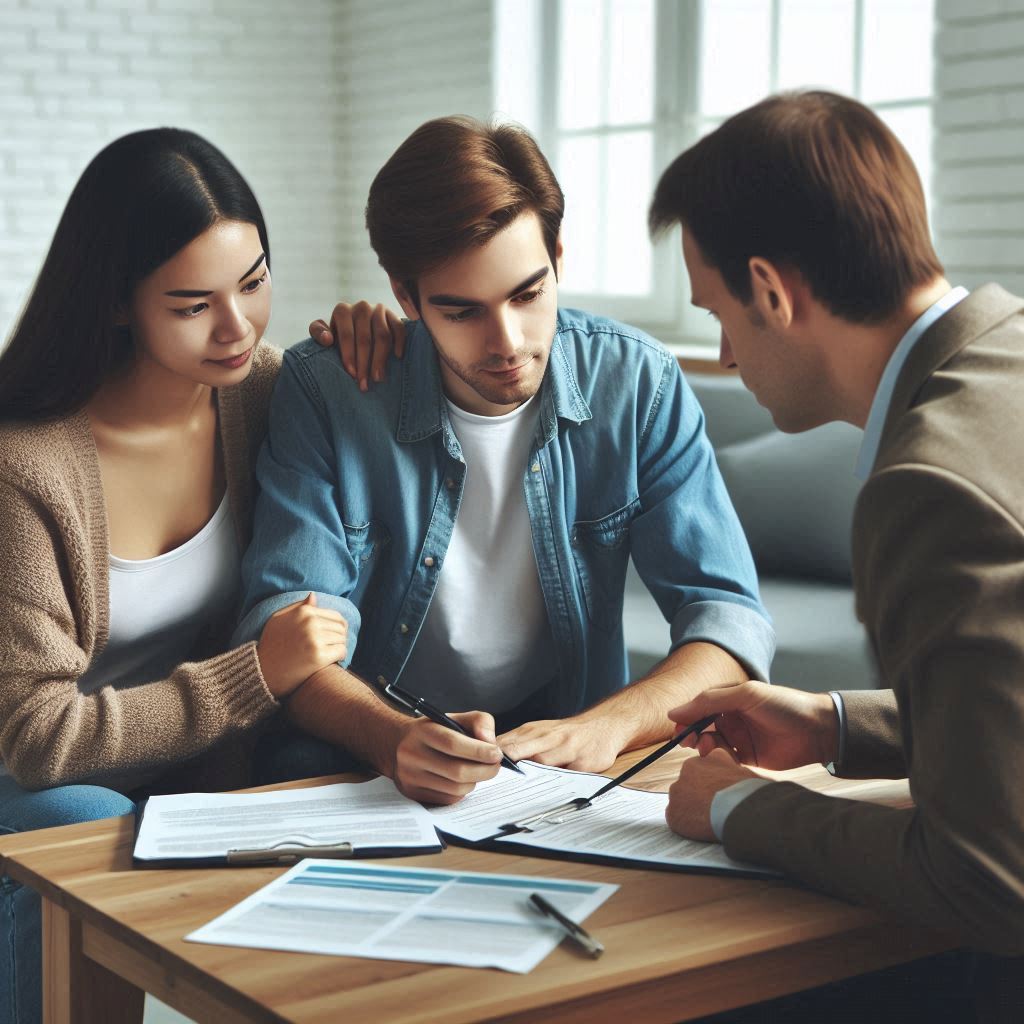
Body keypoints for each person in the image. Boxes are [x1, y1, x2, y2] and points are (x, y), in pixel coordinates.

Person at [235, 115, 775, 807]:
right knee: (296, 770)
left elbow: (725, 617)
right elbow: (290, 631)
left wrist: (607, 727)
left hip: (565, 731)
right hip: (371, 735)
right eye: (462, 312)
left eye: (528, 294)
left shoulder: (637, 383)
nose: (508, 342)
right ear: (406, 296)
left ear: (557, 256)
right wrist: (389, 736)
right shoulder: (328, 392)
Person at [0, 127, 399, 1024]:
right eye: (192, 305)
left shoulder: (265, 392)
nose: (238, 326)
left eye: (253, 283)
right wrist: (254, 673)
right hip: (41, 780)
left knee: (328, 768)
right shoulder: (24, 465)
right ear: (115, 303)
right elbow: (36, 736)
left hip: (195, 763)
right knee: (84, 819)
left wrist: (384, 339)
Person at [650, 90, 1024, 1021]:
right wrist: (832, 726)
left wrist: (736, 809)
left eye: (720, 315)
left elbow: (991, 881)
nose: (727, 354)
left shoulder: (927, 485)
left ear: (774, 292)